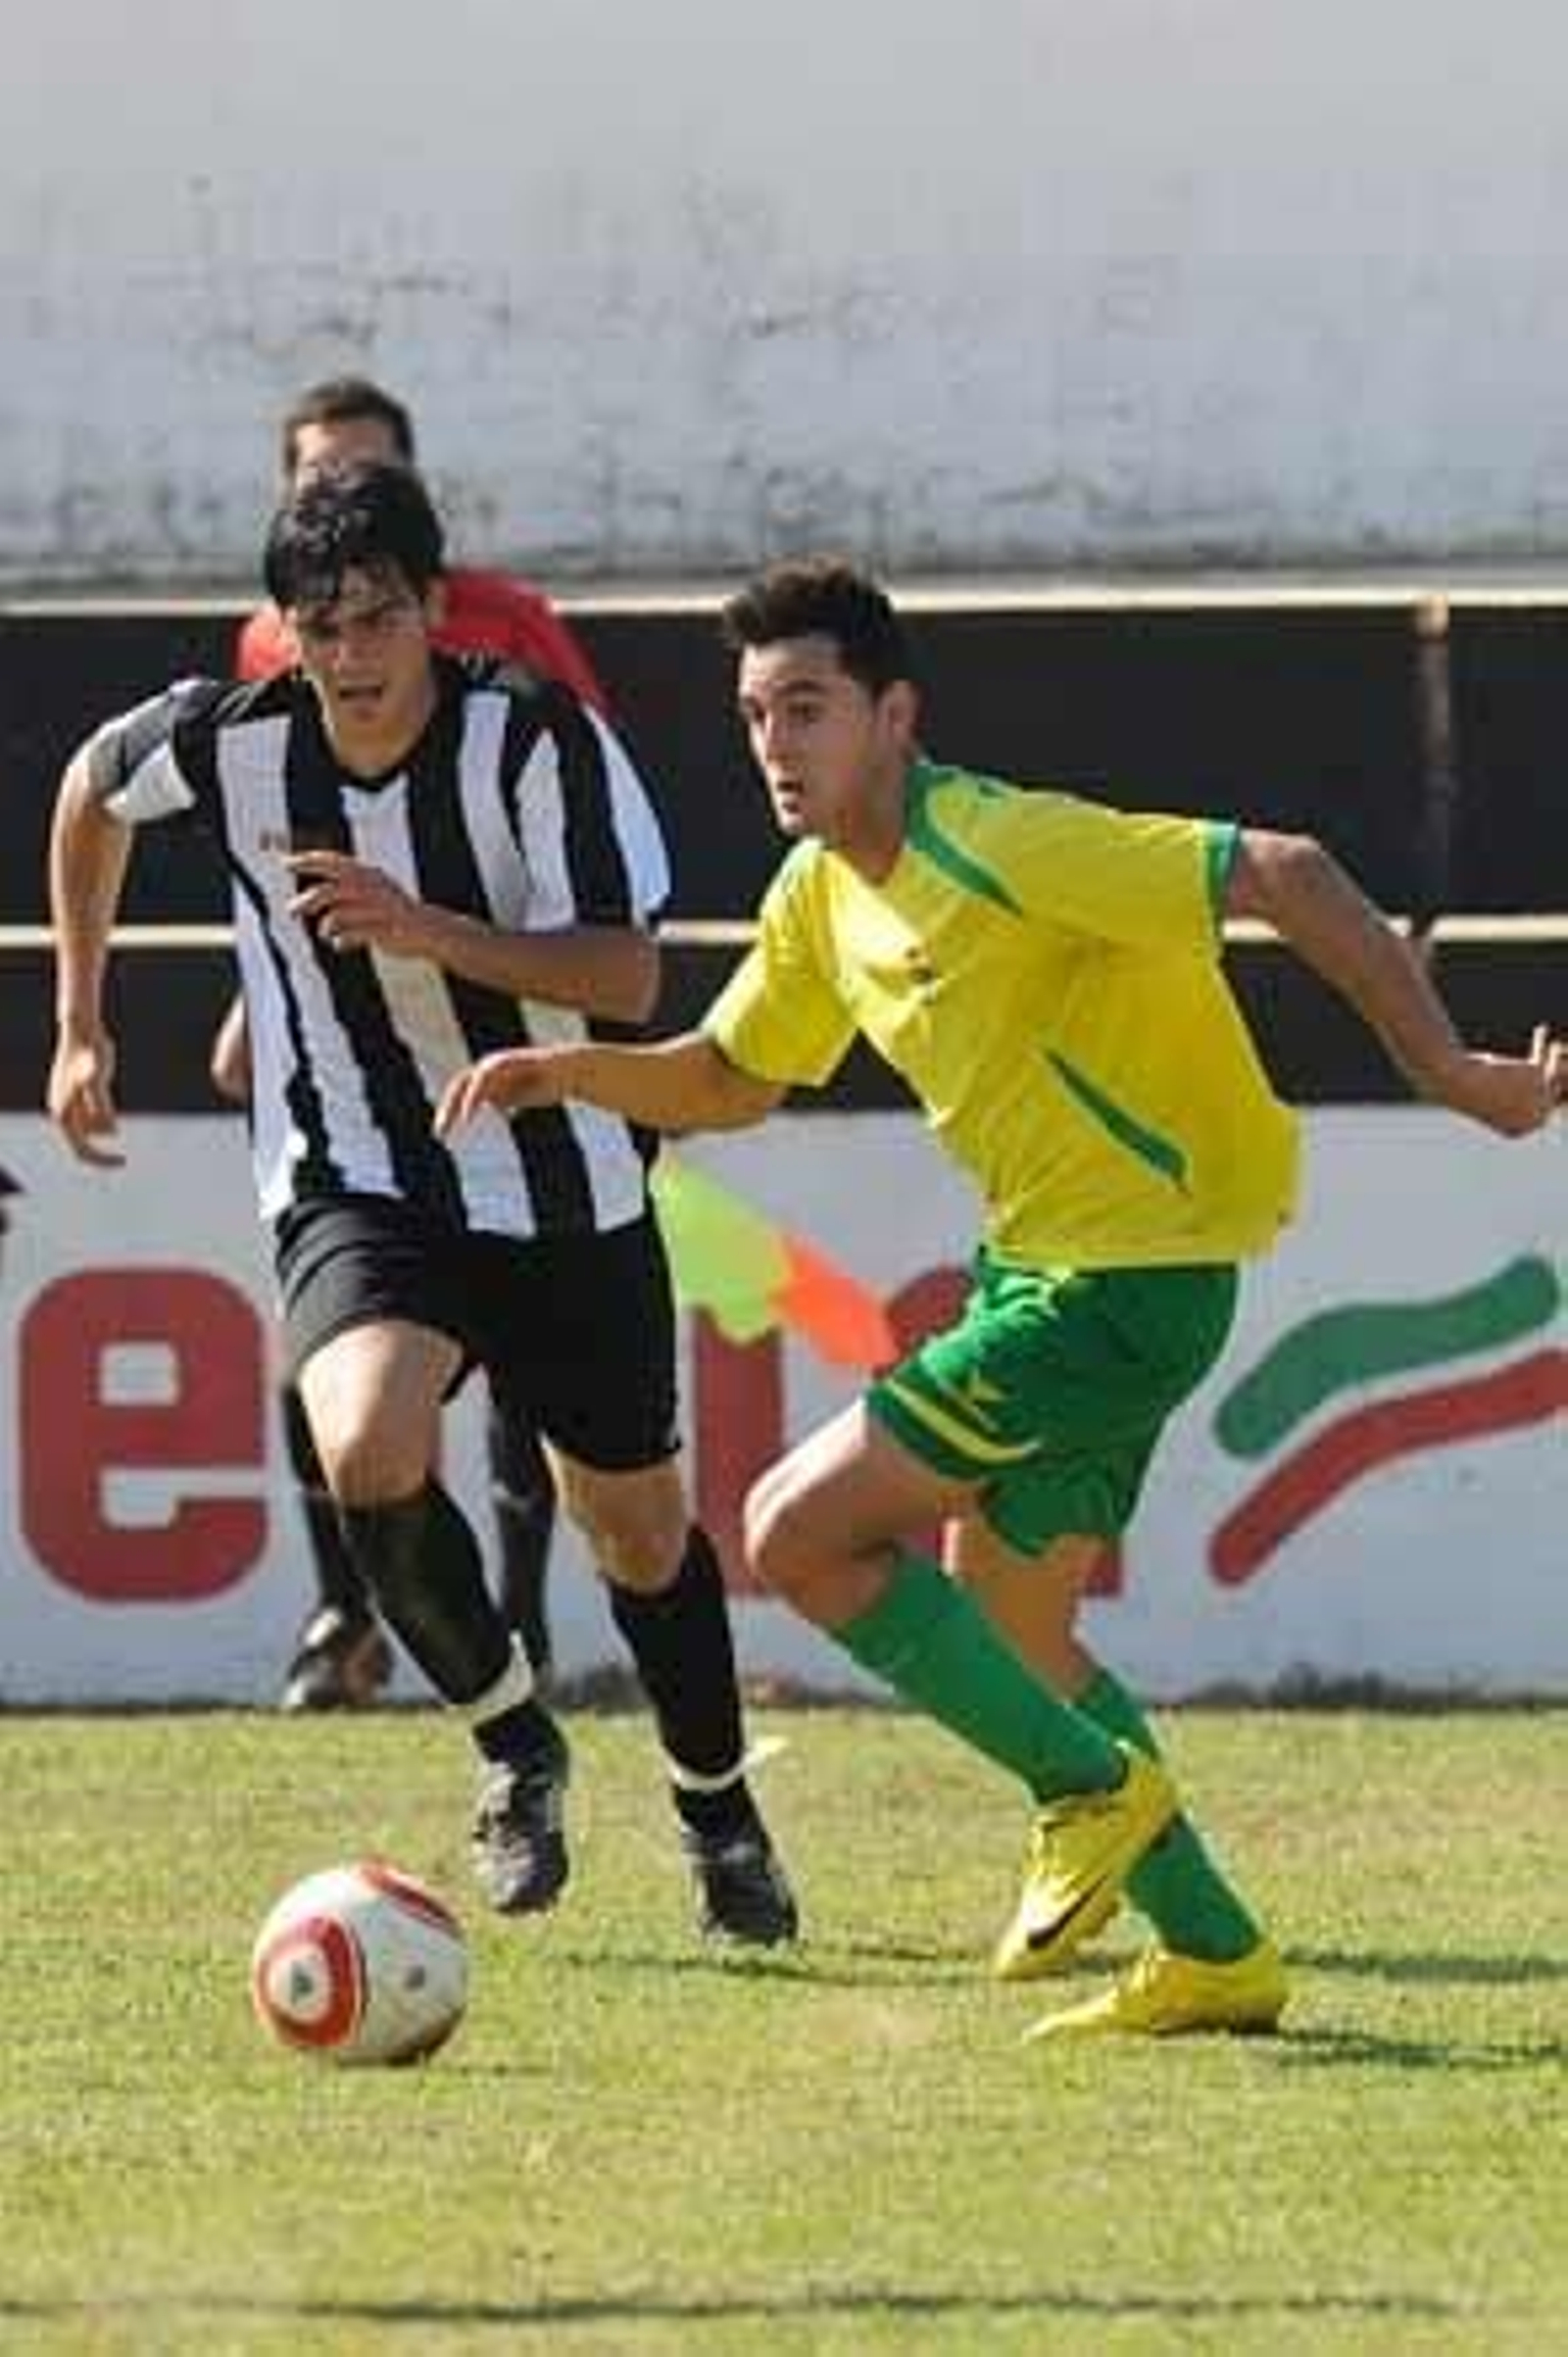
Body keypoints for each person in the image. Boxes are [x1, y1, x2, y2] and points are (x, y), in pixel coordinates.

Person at [435, 557, 1566, 2038]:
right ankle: (1217, 1950)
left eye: (810, 707)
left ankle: (1088, 1788)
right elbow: (726, 1076)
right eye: (757, 714)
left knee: (794, 1530)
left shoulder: (1000, 840)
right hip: (1055, 1270)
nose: (777, 743)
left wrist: (1450, 1070)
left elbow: (1282, 868)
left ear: (895, 714)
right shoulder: (819, 897)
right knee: (1014, 1627)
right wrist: (567, 1069)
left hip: (1125, 1281)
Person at [46, 460, 798, 1947]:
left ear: (436, 612)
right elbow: (88, 792)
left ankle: (719, 1812)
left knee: (637, 1529)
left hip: (562, 1170)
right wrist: (83, 1016)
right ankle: (515, 1743)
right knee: (366, 1441)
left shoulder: (538, 740)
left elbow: (627, 979)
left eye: (378, 619)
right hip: (362, 1173)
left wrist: (430, 930)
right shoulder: (231, 740)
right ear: (286, 632)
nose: (352, 657)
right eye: (320, 627)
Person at [222, 374, 606, 1710]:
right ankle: (350, 1610)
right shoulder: (270, 637)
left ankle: (523, 1619)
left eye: (370, 472)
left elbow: (575, 816)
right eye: (317, 475)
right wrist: (251, 999)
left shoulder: (509, 630)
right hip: (347, 1040)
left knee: (516, 1333)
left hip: (500, 1024)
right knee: (324, 1328)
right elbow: (274, 844)